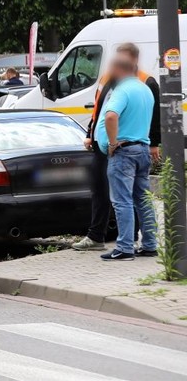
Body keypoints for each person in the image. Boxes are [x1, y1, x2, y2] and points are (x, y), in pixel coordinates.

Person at [73, 43, 161, 252]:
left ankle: (126, 244)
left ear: (131, 62)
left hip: (121, 147)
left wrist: (152, 143)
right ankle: (145, 243)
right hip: (120, 145)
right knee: (129, 195)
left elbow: (117, 116)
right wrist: (91, 133)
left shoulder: (142, 82)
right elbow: (100, 110)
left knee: (123, 199)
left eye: (120, 61)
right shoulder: (113, 81)